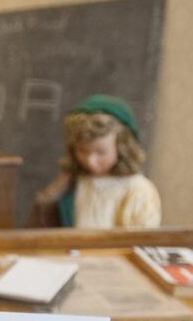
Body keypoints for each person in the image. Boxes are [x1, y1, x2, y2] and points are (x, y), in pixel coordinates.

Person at [35, 94, 161, 228]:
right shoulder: (73, 183)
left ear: (122, 146)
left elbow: (142, 237)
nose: (90, 161)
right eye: (82, 151)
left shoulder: (137, 189)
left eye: (101, 152)